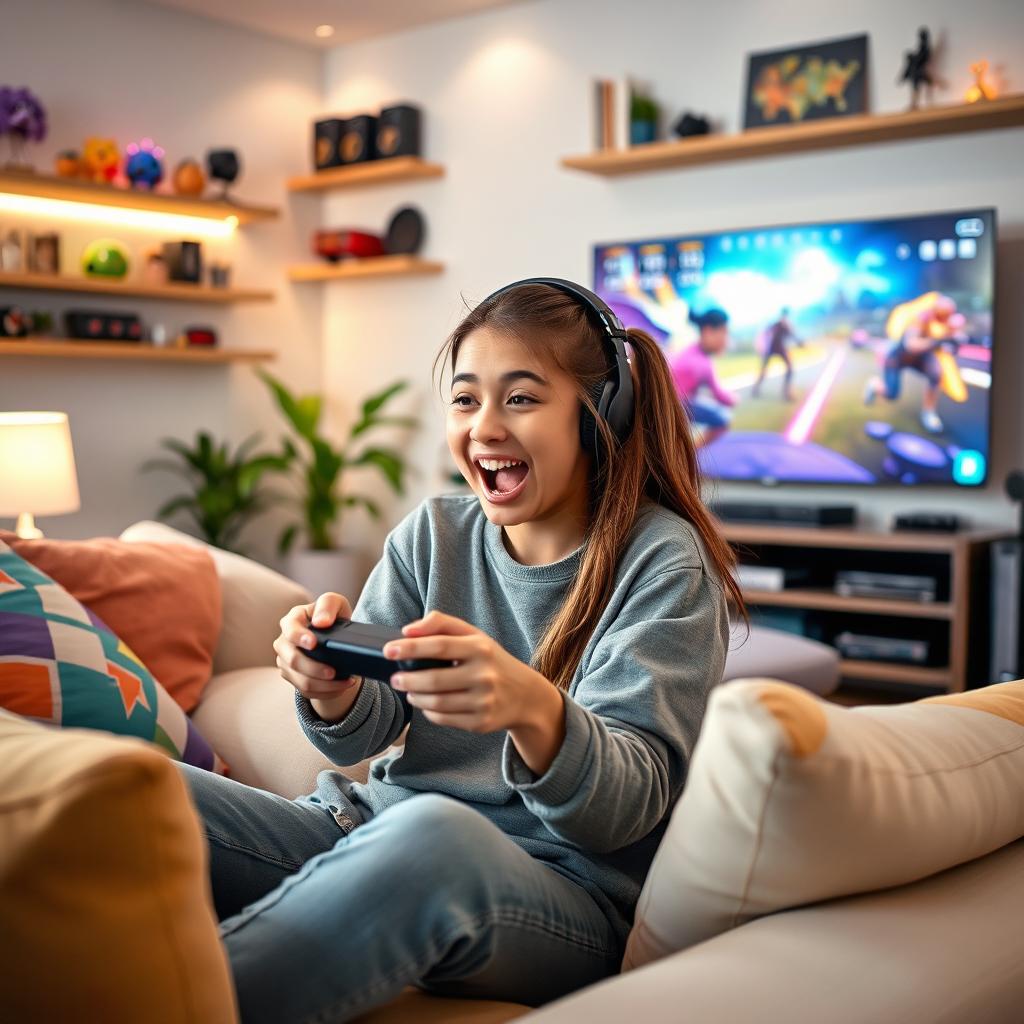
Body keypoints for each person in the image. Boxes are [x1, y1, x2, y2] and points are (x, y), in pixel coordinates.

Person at [178, 278, 744, 1024]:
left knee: (432, 834)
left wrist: (531, 706)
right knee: (133, 787)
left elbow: (626, 807)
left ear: (599, 414)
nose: (484, 426)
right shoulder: (434, 532)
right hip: (366, 830)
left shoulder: (663, 564)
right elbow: (368, 723)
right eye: (466, 398)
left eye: (520, 398)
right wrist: (330, 686)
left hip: (556, 896)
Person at [864, 291, 967, 435]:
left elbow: (952, 346)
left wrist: (954, 341)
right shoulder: (921, 317)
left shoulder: (947, 323)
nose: (946, 319)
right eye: (944, 315)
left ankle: (928, 412)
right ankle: (875, 385)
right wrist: (939, 341)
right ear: (937, 310)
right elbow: (911, 346)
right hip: (898, 358)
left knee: (936, 373)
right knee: (891, 394)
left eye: (949, 315)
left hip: (920, 357)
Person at [669, 307, 735, 448]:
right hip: (675, 406)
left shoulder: (690, 351)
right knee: (723, 419)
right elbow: (722, 397)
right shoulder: (704, 364)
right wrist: (734, 399)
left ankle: (685, 451)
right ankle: (690, 452)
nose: (725, 339)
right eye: (723, 332)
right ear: (708, 331)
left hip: (671, 403)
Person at [752, 306, 802, 401]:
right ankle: (756, 389)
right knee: (764, 370)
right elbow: (766, 335)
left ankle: (787, 392)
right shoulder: (776, 324)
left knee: (790, 368)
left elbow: (792, 335)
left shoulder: (786, 324)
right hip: (770, 348)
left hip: (780, 348)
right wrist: (761, 347)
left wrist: (800, 342)